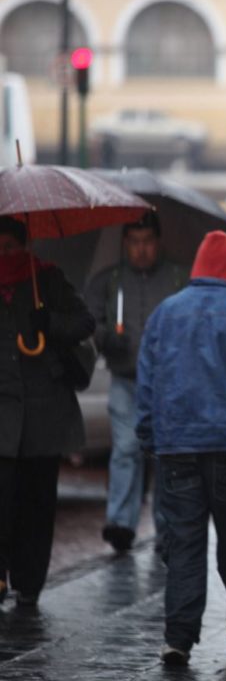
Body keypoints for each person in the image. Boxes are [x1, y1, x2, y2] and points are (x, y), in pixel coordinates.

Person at [135, 231, 226, 665]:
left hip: (176, 448)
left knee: (184, 545)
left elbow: (147, 382)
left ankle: (178, 637)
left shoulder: (165, 313)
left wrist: (148, 435)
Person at [0, 216, 95, 607]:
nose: (4, 255)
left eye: (10, 248)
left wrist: (50, 322)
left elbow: (84, 322)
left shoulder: (48, 280)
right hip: (3, 414)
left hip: (44, 415)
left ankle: (29, 581)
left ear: (25, 246)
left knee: (37, 504)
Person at [85, 213, 188, 553]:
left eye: (147, 242)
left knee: (164, 455)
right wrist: (104, 338)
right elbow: (89, 321)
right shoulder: (109, 280)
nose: (141, 250)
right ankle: (121, 522)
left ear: (157, 242)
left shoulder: (178, 279)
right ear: (124, 244)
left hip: (168, 385)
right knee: (126, 449)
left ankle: (166, 525)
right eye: (134, 242)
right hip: (126, 380)